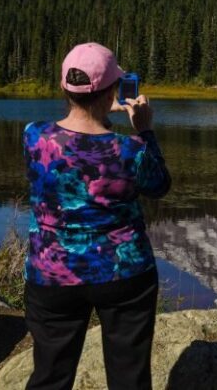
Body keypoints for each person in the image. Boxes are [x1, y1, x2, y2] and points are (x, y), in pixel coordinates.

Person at [23, 42, 171, 390]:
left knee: (49, 376)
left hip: (51, 273)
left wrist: (99, 111)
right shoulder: (131, 150)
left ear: (65, 88)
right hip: (124, 274)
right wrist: (145, 130)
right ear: (111, 94)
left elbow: (73, 144)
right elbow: (159, 185)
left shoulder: (34, 136)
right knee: (129, 378)